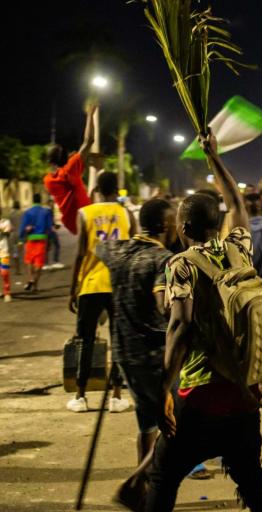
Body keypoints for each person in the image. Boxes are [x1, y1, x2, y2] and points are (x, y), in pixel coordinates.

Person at [145, 131, 262, 512]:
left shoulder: (181, 264)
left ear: (183, 228)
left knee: (162, 476)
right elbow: (236, 202)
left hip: (200, 396)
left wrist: (163, 393)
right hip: (245, 392)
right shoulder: (239, 248)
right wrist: (214, 157)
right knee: (252, 479)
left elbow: (180, 327)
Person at [96, 198, 176, 474]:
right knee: (174, 423)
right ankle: (142, 480)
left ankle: (143, 485)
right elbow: (163, 303)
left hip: (123, 353)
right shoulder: (163, 259)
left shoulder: (117, 250)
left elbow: (99, 246)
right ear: (166, 224)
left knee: (147, 422)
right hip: (154, 355)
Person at [66, 171, 136, 413]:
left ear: (96, 189)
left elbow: (79, 253)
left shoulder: (85, 214)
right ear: (117, 190)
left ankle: (80, 395)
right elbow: (134, 249)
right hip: (118, 285)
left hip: (91, 283)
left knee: (85, 341)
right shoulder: (126, 214)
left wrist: (73, 289)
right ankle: (116, 397)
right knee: (119, 341)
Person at [44, 104, 97, 234]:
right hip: (87, 218)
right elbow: (89, 140)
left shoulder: (48, 180)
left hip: (71, 224)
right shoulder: (70, 169)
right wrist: (90, 114)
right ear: (64, 158)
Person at [19, 193, 54, 293]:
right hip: (42, 239)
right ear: (41, 200)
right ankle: (35, 284)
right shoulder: (46, 212)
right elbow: (49, 227)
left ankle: (31, 279)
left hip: (30, 239)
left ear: (32, 200)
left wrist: (21, 238)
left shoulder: (28, 212)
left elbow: (23, 227)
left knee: (30, 260)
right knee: (39, 262)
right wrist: (50, 240)